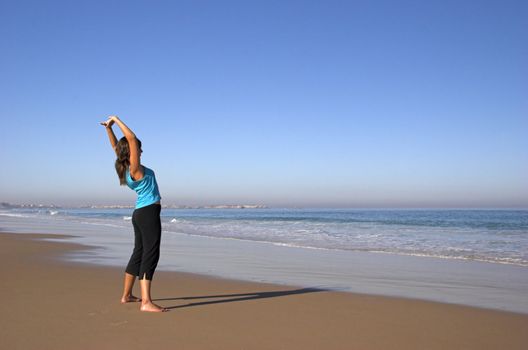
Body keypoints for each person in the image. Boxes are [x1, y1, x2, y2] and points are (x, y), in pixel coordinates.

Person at [101, 115, 167, 312]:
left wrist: (108, 129)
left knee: (138, 253)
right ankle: (146, 302)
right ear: (132, 151)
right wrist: (117, 119)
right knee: (150, 254)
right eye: (139, 148)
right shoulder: (135, 167)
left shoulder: (125, 166)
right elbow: (130, 138)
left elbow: (116, 146)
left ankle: (127, 295)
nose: (141, 150)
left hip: (139, 214)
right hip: (148, 214)